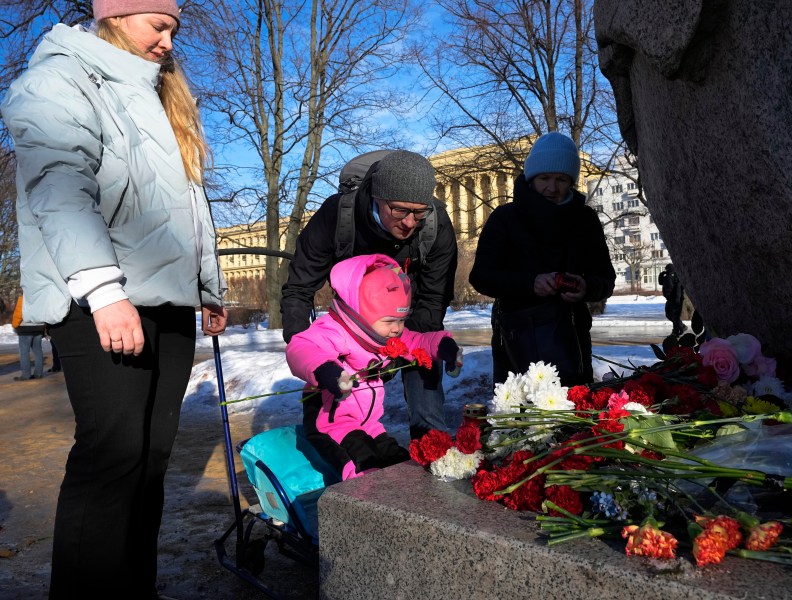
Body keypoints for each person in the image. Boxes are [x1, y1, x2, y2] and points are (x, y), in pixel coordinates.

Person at [1, 1, 228, 597]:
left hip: (168, 301)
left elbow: (187, 203)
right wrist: (103, 291)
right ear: (117, 17)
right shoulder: (57, 78)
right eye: (159, 25)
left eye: (174, 29)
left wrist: (207, 285)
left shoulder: (160, 95)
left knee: (151, 460)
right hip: (100, 300)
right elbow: (59, 188)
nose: (168, 42)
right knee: (113, 456)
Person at [281, 150, 458, 440]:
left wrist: (399, 349)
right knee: (337, 405)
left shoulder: (435, 226)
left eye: (419, 211)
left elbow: (434, 297)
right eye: (399, 210)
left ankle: (431, 446)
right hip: (351, 325)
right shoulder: (338, 215)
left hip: (407, 316)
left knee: (424, 367)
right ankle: (336, 448)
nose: (410, 222)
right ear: (378, 196)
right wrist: (307, 349)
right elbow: (299, 287)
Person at [287, 254, 462, 480]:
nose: (397, 329)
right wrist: (326, 370)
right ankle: (362, 510)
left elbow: (416, 341)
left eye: (402, 320)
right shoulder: (335, 331)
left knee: (398, 464)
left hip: (368, 423)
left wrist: (444, 346)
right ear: (359, 313)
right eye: (390, 321)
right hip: (332, 423)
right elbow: (302, 347)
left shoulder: (382, 334)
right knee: (365, 468)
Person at [469, 132, 616, 387]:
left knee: (573, 416)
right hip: (518, 340)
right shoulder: (505, 218)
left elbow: (606, 279)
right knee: (519, 419)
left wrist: (586, 287)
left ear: (571, 181)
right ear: (531, 177)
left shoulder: (585, 220)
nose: (552, 187)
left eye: (561, 179)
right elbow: (481, 277)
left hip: (572, 340)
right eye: (544, 178)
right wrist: (530, 283)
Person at [11, 292, 46, 380]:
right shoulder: (41, 298)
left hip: (25, 328)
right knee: (38, 351)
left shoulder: (23, 298)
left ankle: (26, 375)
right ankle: (39, 374)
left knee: (24, 352)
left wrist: (15, 325)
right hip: (39, 327)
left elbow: (19, 313)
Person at [658, 263, 686, 336]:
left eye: (667, 269)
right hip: (670, 299)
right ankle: (682, 326)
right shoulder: (667, 277)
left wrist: (676, 300)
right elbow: (660, 282)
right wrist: (661, 274)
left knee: (675, 316)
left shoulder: (676, 278)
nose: (666, 271)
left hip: (676, 300)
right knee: (669, 314)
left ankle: (676, 332)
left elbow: (678, 290)